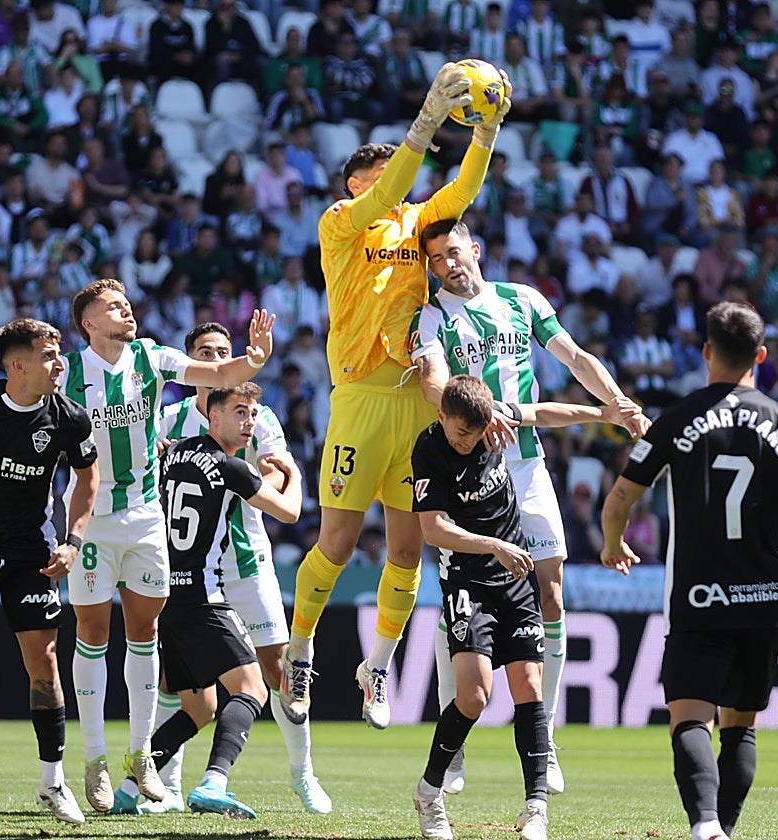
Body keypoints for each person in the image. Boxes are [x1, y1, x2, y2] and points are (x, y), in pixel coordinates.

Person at [279, 61, 512, 733]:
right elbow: (386, 199)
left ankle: (375, 667)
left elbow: (463, 187)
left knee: (409, 550)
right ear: (354, 185)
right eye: (378, 176)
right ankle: (301, 648)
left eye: (397, 175)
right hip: (357, 397)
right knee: (339, 541)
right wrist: (423, 125)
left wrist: (486, 130)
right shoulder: (341, 224)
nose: (395, 187)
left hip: (415, 400)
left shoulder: (417, 226)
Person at [410, 217, 648, 794]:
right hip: (470, 465)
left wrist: (615, 402)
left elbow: (574, 357)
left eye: (455, 252)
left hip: (526, 461)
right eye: (437, 259)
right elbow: (433, 381)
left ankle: (546, 736)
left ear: (477, 250)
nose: (449, 264)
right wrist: (474, 415)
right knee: (461, 594)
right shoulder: (431, 317)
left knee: (552, 592)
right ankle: (456, 742)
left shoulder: (524, 300)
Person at [600, 302, 778, 840]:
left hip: (699, 595)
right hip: (763, 595)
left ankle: (706, 827)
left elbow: (618, 501)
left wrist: (614, 544)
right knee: (741, 726)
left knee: (689, 719)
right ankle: (722, 828)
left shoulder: (676, 419)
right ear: (760, 355)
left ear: (706, 351)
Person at [58, 279, 274, 813]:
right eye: (113, 306)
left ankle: (140, 756)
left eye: (127, 302)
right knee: (91, 631)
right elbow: (27, 420)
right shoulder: (68, 373)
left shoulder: (150, 357)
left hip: (146, 518)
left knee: (146, 629)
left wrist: (254, 357)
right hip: (93, 518)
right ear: (88, 322)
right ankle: (94, 761)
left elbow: (220, 376)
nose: (126, 309)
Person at [410, 375, 633, 840]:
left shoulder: (495, 421)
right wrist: (492, 545)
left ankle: (536, 810)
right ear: (440, 416)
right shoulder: (429, 449)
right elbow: (432, 528)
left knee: (530, 686)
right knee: (474, 696)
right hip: (467, 580)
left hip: (513, 579)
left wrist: (602, 413)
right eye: (459, 433)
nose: (467, 441)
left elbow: (548, 413)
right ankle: (428, 793)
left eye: (473, 433)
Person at [155, 323, 331, 814]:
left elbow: (275, 466)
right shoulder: (167, 418)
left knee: (278, 670)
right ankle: (166, 784)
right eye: (204, 352)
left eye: (223, 352)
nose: (215, 359)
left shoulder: (256, 414)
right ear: (191, 364)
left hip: (245, 556)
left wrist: (246, 478)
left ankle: (303, 775)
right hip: (187, 563)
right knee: (181, 681)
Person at [0, 318, 100, 830]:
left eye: (60, 353)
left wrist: (73, 542)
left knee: (44, 663)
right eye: (50, 355)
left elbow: (87, 478)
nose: (60, 363)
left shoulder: (69, 419)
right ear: (17, 365)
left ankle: (52, 780)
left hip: (33, 548)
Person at [109, 382, 302, 819]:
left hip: (162, 593)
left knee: (200, 707)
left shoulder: (172, 454)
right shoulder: (229, 465)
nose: (249, 422)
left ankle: (125, 789)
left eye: (253, 414)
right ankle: (214, 782)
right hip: (202, 595)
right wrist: (293, 474)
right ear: (213, 417)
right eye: (239, 413)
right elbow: (289, 511)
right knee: (253, 688)